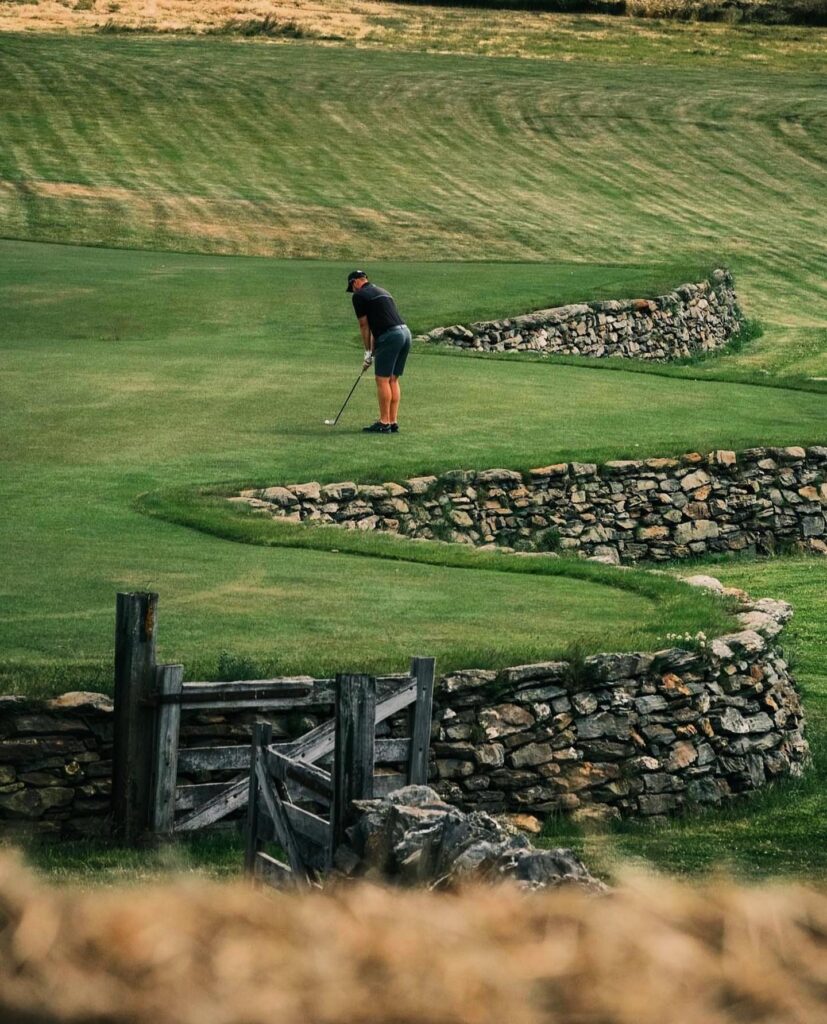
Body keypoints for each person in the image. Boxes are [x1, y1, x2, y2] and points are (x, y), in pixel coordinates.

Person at [346, 269, 412, 434]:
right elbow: (379, 325)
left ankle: (384, 422)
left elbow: (364, 325)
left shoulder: (359, 296)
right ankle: (392, 421)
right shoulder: (383, 291)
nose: (353, 291)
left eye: (352, 287)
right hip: (405, 334)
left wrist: (367, 351)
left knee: (382, 380)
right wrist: (372, 353)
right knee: (392, 379)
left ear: (355, 282)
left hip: (390, 336)